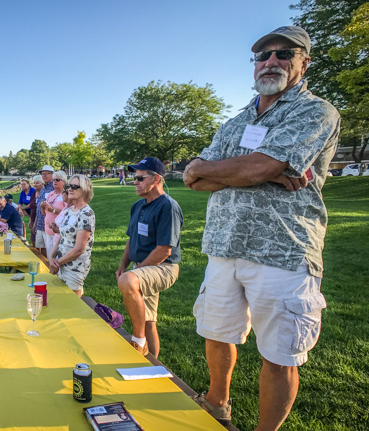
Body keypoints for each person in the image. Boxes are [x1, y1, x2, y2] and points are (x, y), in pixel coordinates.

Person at [183, 26, 340, 429]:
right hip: (224, 245)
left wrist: (257, 169)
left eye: (284, 54)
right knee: (216, 333)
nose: (271, 61)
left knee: (280, 354)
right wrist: (261, 171)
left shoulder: (315, 111)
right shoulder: (235, 121)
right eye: (263, 55)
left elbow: (259, 166)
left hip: (283, 250)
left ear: (303, 63)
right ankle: (217, 403)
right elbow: (194, 178)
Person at [115, 157, 182, 359]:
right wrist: (123, 264)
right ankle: (152, 365)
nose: (134, 181)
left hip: (164, 267)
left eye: (140, 178)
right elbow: (132, 239)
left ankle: (138, 342)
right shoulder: (138, 205)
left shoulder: (168, 207)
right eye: (133, 177)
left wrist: (134, 272)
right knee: (148, 320)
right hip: (142, 266)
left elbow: (164, 250)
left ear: (156, 179)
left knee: (128, 282)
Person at [50, 176, 95, 297]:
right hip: (62, 264)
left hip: (75, 268)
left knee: (72, 306)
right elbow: (61, 235)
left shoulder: (86, 213)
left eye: (75, 187)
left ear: (85, 190)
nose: (70, 189)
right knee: (61, 300)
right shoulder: (70, 211)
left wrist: (57, 263)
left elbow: (79, 249)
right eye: (69, 186)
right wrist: (52, 257)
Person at [40, 170, 67, 260]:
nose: (54, 182)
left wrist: (53, 210)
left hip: (58, 231)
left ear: (64, 182)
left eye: (57, 180)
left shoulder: (65, 195)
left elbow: (67, 213)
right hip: (48, 229)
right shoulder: (50, 194)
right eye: (54, 180)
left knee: (57, 258)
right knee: (49, 256)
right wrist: (42, 207)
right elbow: (44, 213)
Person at [35, 166, 55, 256]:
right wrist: (35, 222)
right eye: (43, 174)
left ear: (52, 174)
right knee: (40, 249)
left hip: (49, 226)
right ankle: (43, 268)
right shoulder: (43, 189)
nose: (44, 175)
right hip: (39, 224)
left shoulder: (54, 188)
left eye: (47, 173)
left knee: (50, 250)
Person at [28, 175, 43, 245]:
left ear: (42, 184)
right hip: (33, 219)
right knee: (34, 243)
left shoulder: (43, 194)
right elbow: (32, 207)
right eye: (34, 183)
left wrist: (35, 223)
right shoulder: (34, 193)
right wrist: (30, 220)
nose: (35, 185)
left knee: (40, 244)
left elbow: (39, 209)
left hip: (39, 221)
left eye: (37, 183)